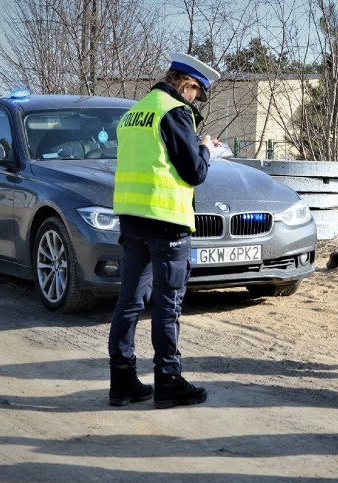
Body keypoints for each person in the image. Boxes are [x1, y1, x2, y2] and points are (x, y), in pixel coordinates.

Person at [107, 52, 220, 409]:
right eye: (197, 95)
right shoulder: (175, 112)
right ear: (188, 85)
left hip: (132, 219)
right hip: (166, 221)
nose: (195, 101)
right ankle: (168, 382)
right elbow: (194, 172)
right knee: (167, 306)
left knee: (128, 303)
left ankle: (122, 382)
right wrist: (206, 149)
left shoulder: (135, 112)